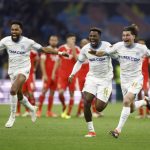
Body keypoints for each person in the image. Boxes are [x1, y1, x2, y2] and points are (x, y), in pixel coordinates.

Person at [0, 20, 69, 128]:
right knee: (19, 94)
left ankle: (12, 117)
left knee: (13, 90)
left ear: (21, 30)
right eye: (12, 29)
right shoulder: (5, 41)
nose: (14, 31)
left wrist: (60, 53)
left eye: (16, 29)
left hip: (24, 70)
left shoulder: (28, 42)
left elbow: (44, 49)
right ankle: (32, 108)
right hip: (12, 71)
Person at [89, 24, 150, 138]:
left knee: (126, 101)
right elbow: (105, 52)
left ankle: (117, 130)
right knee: (130, 108)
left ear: (134, 36)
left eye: (127, 35)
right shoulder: (118, 46)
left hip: (136, 79)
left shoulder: (141, 48)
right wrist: (94, 52)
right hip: (124, 81)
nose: (125, 37)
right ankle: (145, 102)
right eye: (123, 35)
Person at [69, 27, 113, 137]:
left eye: (95, 36)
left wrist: (106, 53)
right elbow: (79, 62)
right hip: (92, 77)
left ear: (99, 37)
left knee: (99, 108)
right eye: (91, 36)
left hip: (105, 79)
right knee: (87, 100)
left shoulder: (107, 45)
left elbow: (116, 55)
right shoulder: (85, 49)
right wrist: (72, 74)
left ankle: (106, 97)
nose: (92, 38)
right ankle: (91, 130)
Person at [52, 33, 80, 119]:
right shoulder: (61, 48)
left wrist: (73, 49)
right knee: (60, 93)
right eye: (72, 39)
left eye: (74, 40)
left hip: (72, 75)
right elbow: (57, 61)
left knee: (72, 94)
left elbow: (77, 60)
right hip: (62, 74)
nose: (73, 41)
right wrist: (53, 72)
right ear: (67, 39)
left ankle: (68, 113)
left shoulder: (77, 49)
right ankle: (64, 105)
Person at [76, 38, 103, 118]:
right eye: (83, 43)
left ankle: (94, 112)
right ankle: (80, 112)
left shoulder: (93, 52)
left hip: (91, 76)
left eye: (86, 43)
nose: (84, 44)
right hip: (81, 76)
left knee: (92, 94)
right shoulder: (79, 52)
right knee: (84, 95)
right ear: (80, 45)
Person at [36, 35, 59, 117]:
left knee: (52, 93)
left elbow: (58, 64)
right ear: (49, 41)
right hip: (47, 75)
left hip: (55, 76)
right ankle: (38, 111)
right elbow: (42, 63)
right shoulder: (46, 50)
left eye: (55, 40)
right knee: (44, 91)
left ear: (57, 41)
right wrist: (44, 74)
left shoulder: (58, 51)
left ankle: (49, 111)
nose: (53, 41)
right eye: (52, 40)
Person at [16, 49, 39, 117]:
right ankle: (24, 111)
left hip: (30, 75)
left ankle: (33, 111)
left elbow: (37, 59)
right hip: (22, 75)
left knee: (31, 93)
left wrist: (34, 68)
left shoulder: (33, 51)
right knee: (22, 94)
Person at [135, 39, 150, 118]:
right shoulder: (134, 53)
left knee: (146, 93)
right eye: (140, 44)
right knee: (138, 94)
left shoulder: (147, 54)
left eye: (143, 44)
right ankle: (140, 113)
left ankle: (148, 112)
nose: (142, 46)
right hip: (136, 76)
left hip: (145, 76)